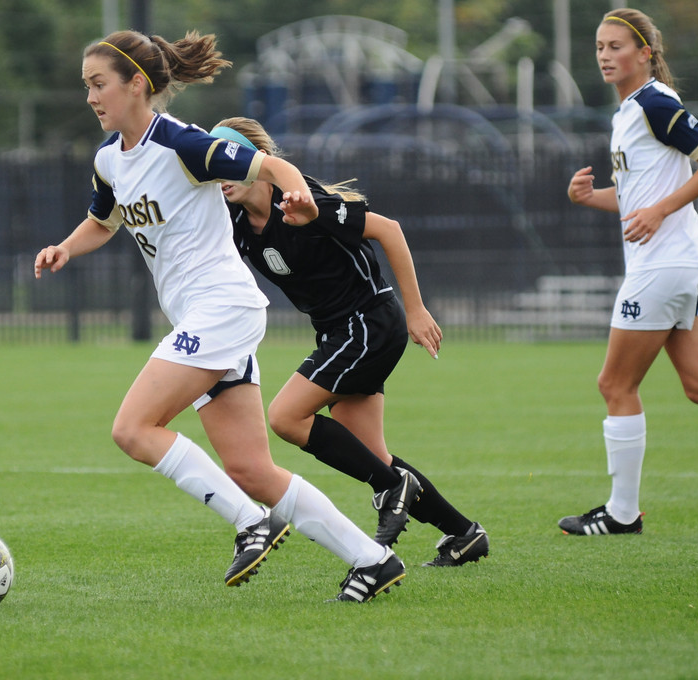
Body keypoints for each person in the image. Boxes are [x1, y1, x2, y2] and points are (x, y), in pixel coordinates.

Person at [34, 30, 404, 601]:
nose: (90, 97)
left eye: (99, 84)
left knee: (133, 429)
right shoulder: (109, 160)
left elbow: (271, 167)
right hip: (203, 319)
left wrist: (299, 197)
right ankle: (372, 559)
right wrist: (65, 247)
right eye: (87, 86)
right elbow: (103, 222)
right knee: (252, 471)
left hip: (221, 308)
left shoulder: (184, 143)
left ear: (137, 84)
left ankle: (251, 522)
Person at [210, 117, 489, 566]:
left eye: (229, 162)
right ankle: (463, 534)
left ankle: (392, 487)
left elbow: (389, 229)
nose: (220, 175)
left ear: (257, 162)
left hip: (368, 322)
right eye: (213, 167)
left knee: (286, 416)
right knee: (373, 457)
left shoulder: (301, 201)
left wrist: (416, 310)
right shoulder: (236, 221)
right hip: (338, 333)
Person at [561, 8, 698, 535]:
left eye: (616, 46)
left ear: (645, 53)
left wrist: (661, 211)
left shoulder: (654, 102)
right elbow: (637, 199)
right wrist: (591, 197)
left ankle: (622, 514)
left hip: (665, 265)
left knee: (615, 383)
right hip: (680, 263)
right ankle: (621, 513)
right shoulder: (627, 111)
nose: (605, 56)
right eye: (600, 47)